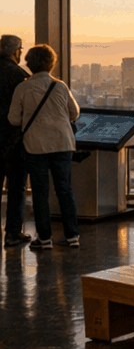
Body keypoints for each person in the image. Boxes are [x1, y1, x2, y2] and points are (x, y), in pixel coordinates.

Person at [7, 44, 81, 250]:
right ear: (51, 64)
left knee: (40, 192)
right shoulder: (60, 86)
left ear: (29, 64)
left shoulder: (22, 88)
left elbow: (13, 119)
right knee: (65, 190)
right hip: (62, 143)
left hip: (35, 145)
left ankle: (45, 238)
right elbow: (74, 113)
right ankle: (72, 235)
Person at [1, 35, 31, 248]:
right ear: (16, 52)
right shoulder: (19, 76)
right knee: (16, 187)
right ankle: (12, 233)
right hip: (13, 141)